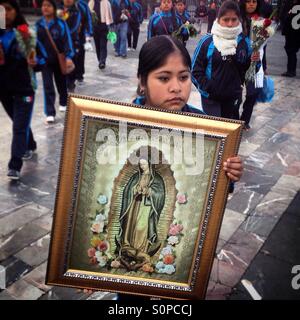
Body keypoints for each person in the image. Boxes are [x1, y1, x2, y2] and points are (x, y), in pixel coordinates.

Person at [134, 35, 243, 183]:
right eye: (164, 78)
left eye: (183, 77)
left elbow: (208, 186)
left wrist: (228, 173)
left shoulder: (204, 126)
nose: (176, 88)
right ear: (142, 81)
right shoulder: (119, 123)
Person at [0, 0, 46, 180]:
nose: (4, 13)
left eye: (8, 9)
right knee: (19, 121)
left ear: (16, 11)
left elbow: (43, 57)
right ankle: (30, 143)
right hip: (3, 88)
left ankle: (15, 164)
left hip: (24, 88)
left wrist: (35, 63)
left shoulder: (26, 34)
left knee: (19, 126)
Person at [192, 0, 254, 122]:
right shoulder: (207, 41)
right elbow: (195, 71)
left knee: (229, 137)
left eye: (234, 19)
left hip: (233, 99)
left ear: (239, 20)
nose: (230, 24)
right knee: (213, 135)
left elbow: (248, 71)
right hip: (211, 99)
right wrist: (208, 89)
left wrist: (255, 62)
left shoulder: (244, 42)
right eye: (226, 20)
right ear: (219, 19)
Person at [116, 158, 165, 270]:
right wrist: (134, 189)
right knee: (130, 226)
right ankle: (128, 248)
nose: (142, 166)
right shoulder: (135, 177)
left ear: (150, 164)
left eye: (144, 164)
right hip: (133, 205)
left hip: (146, 207)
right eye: (140, 164)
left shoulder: (156, 178)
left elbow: (160, 194)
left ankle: (141, 250)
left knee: (141, 227)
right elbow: (127, 190)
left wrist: (149, 191)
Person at [36, 0, 74, 123]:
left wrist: (69, 57)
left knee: (61, 83)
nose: (45, 8)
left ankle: (63, 102)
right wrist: (36, 57)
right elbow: (34, 43)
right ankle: (50, 112)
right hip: (44, 61)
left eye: (48, 6)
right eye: (43, 6)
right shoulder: (38, 24)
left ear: (53, 8)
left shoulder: (61, 24)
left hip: (59, 59)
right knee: (47, 86)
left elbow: (67, 40)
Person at [239, 0, 263, 130]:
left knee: (252, 93)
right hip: (237, 61)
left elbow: (263, 45)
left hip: (254, 62)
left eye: (254, 1)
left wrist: (263, 63)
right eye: (248, 1)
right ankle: (233, 119)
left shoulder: (261, 20)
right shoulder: (237, 17)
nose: (251, 4)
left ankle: (245, 120)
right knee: (236, 94)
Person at [89, 0, 113, 69]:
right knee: (97, 45)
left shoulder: (106, 2)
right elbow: (87, 14)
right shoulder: (91, 2)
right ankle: (100, 59)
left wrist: (110, 24)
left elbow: (110, 14)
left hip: (104, 27)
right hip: (95, 27)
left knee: (103, 45)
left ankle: (102, 61)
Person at [281, 0, 300, 77]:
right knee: (291, 51)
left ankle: (291, 70)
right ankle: (291, 70)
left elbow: (285, 17)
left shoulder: (290, 4)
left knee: (291, 50)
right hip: (294, 31)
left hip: (292, 31)